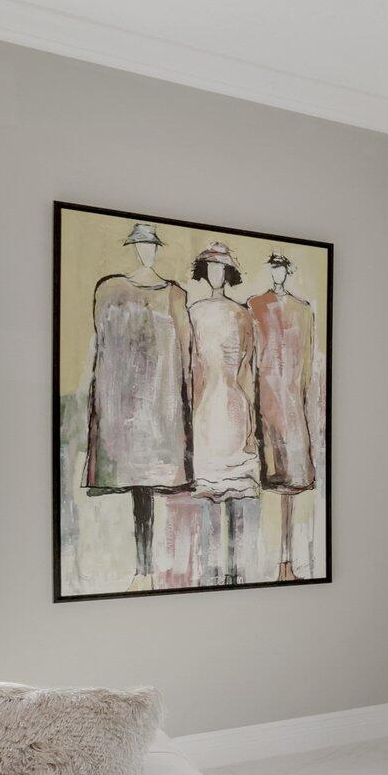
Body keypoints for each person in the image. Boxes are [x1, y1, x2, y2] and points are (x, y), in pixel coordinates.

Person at [84, 222, 191, 587]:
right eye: (141, 245)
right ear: (134, 247)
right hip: (128, 414)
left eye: (151, 245)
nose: (147, 251)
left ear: (157, 249)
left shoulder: (175, 295)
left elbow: (186, 357)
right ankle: (142, 568)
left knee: (148, 494)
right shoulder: (110, 290)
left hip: (160, 415)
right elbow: (104, 353)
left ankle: (147, 569)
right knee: (138, 494)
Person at [188, 242, 261, 583]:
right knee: (209, 493)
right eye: (211, 267)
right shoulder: (194, 312)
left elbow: (247, 368)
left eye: (222, 267)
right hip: (205, 410)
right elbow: (191, 368)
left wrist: (249, 419)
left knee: (237, 492)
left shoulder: (242, 314)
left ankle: (236, 569)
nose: (216, 273)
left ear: (229, 272)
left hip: (233, 406)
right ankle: (212, 571)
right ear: (204, 271)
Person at [251, 251, 318, 580]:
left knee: (290, 488)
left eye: (281, 268)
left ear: (288, 272)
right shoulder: (255, 306)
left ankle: (287, 563)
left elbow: (306, 368)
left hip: (291, 406)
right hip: (264, 404)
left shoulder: (303, 310)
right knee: (264, 485)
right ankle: (271, 564)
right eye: (273, 268)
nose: (277, 273)